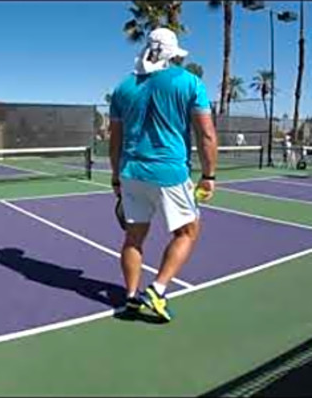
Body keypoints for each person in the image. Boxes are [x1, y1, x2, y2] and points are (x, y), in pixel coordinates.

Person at [108, 28, 218, 322]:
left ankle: (131, 298)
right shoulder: (190, 82)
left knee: (133, 238)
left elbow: (114, 141)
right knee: (188, 232)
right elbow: (206, 134)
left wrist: (116, 178)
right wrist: (209, 176)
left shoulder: (122, 88)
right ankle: (156, 290)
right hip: (169, 173)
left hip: (131, 173)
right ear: (172, 54)